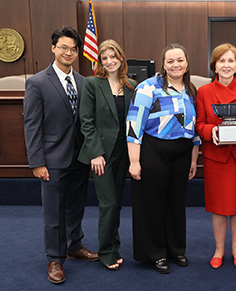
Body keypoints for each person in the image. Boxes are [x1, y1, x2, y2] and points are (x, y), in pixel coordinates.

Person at [23, 26, 98, 284]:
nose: (69, 52)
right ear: (53, 48)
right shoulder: (37, 82)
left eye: (74, 49)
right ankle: (54, 259)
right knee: (54, 212)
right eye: (63, 47)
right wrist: (37, 162)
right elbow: (31, 125)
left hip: (79, 158)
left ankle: (74, 245)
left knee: (76, 206)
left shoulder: (83, 82)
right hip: (52, 160)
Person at [126, 43, 200, 274]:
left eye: (180, 60)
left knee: (176, 203)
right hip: (153, 150)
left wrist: (193, 160)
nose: (175, 65)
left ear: (187, 64)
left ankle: (176, 249)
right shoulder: (148, 87)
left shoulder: (192, 90)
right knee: (153, 203)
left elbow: (195, 129)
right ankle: (156, 253)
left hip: (182, 152)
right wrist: (134, 161)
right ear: (163, 64)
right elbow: (133, 125)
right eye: (170, 61)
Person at [195, 43, 236, 269]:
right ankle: (219, 250)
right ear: (214, 65)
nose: (226, 65)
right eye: (222, 61)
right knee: (219, 208)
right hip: (216, 158)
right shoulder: (204, 92)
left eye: (231, 61)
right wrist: (210, 132)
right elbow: (199, 124)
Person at [78, 39, 137, 271]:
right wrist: (95, 153)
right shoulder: (92, 84)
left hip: (125, 152)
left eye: (114, 57)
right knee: (108, 204)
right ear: (100, 61)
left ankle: (114, 246)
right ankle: (105, 251)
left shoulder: (132, 85)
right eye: (105, 58)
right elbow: (86, 122)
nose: (110, 61)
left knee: (117, 204)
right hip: (101, 155)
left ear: (121, 58)